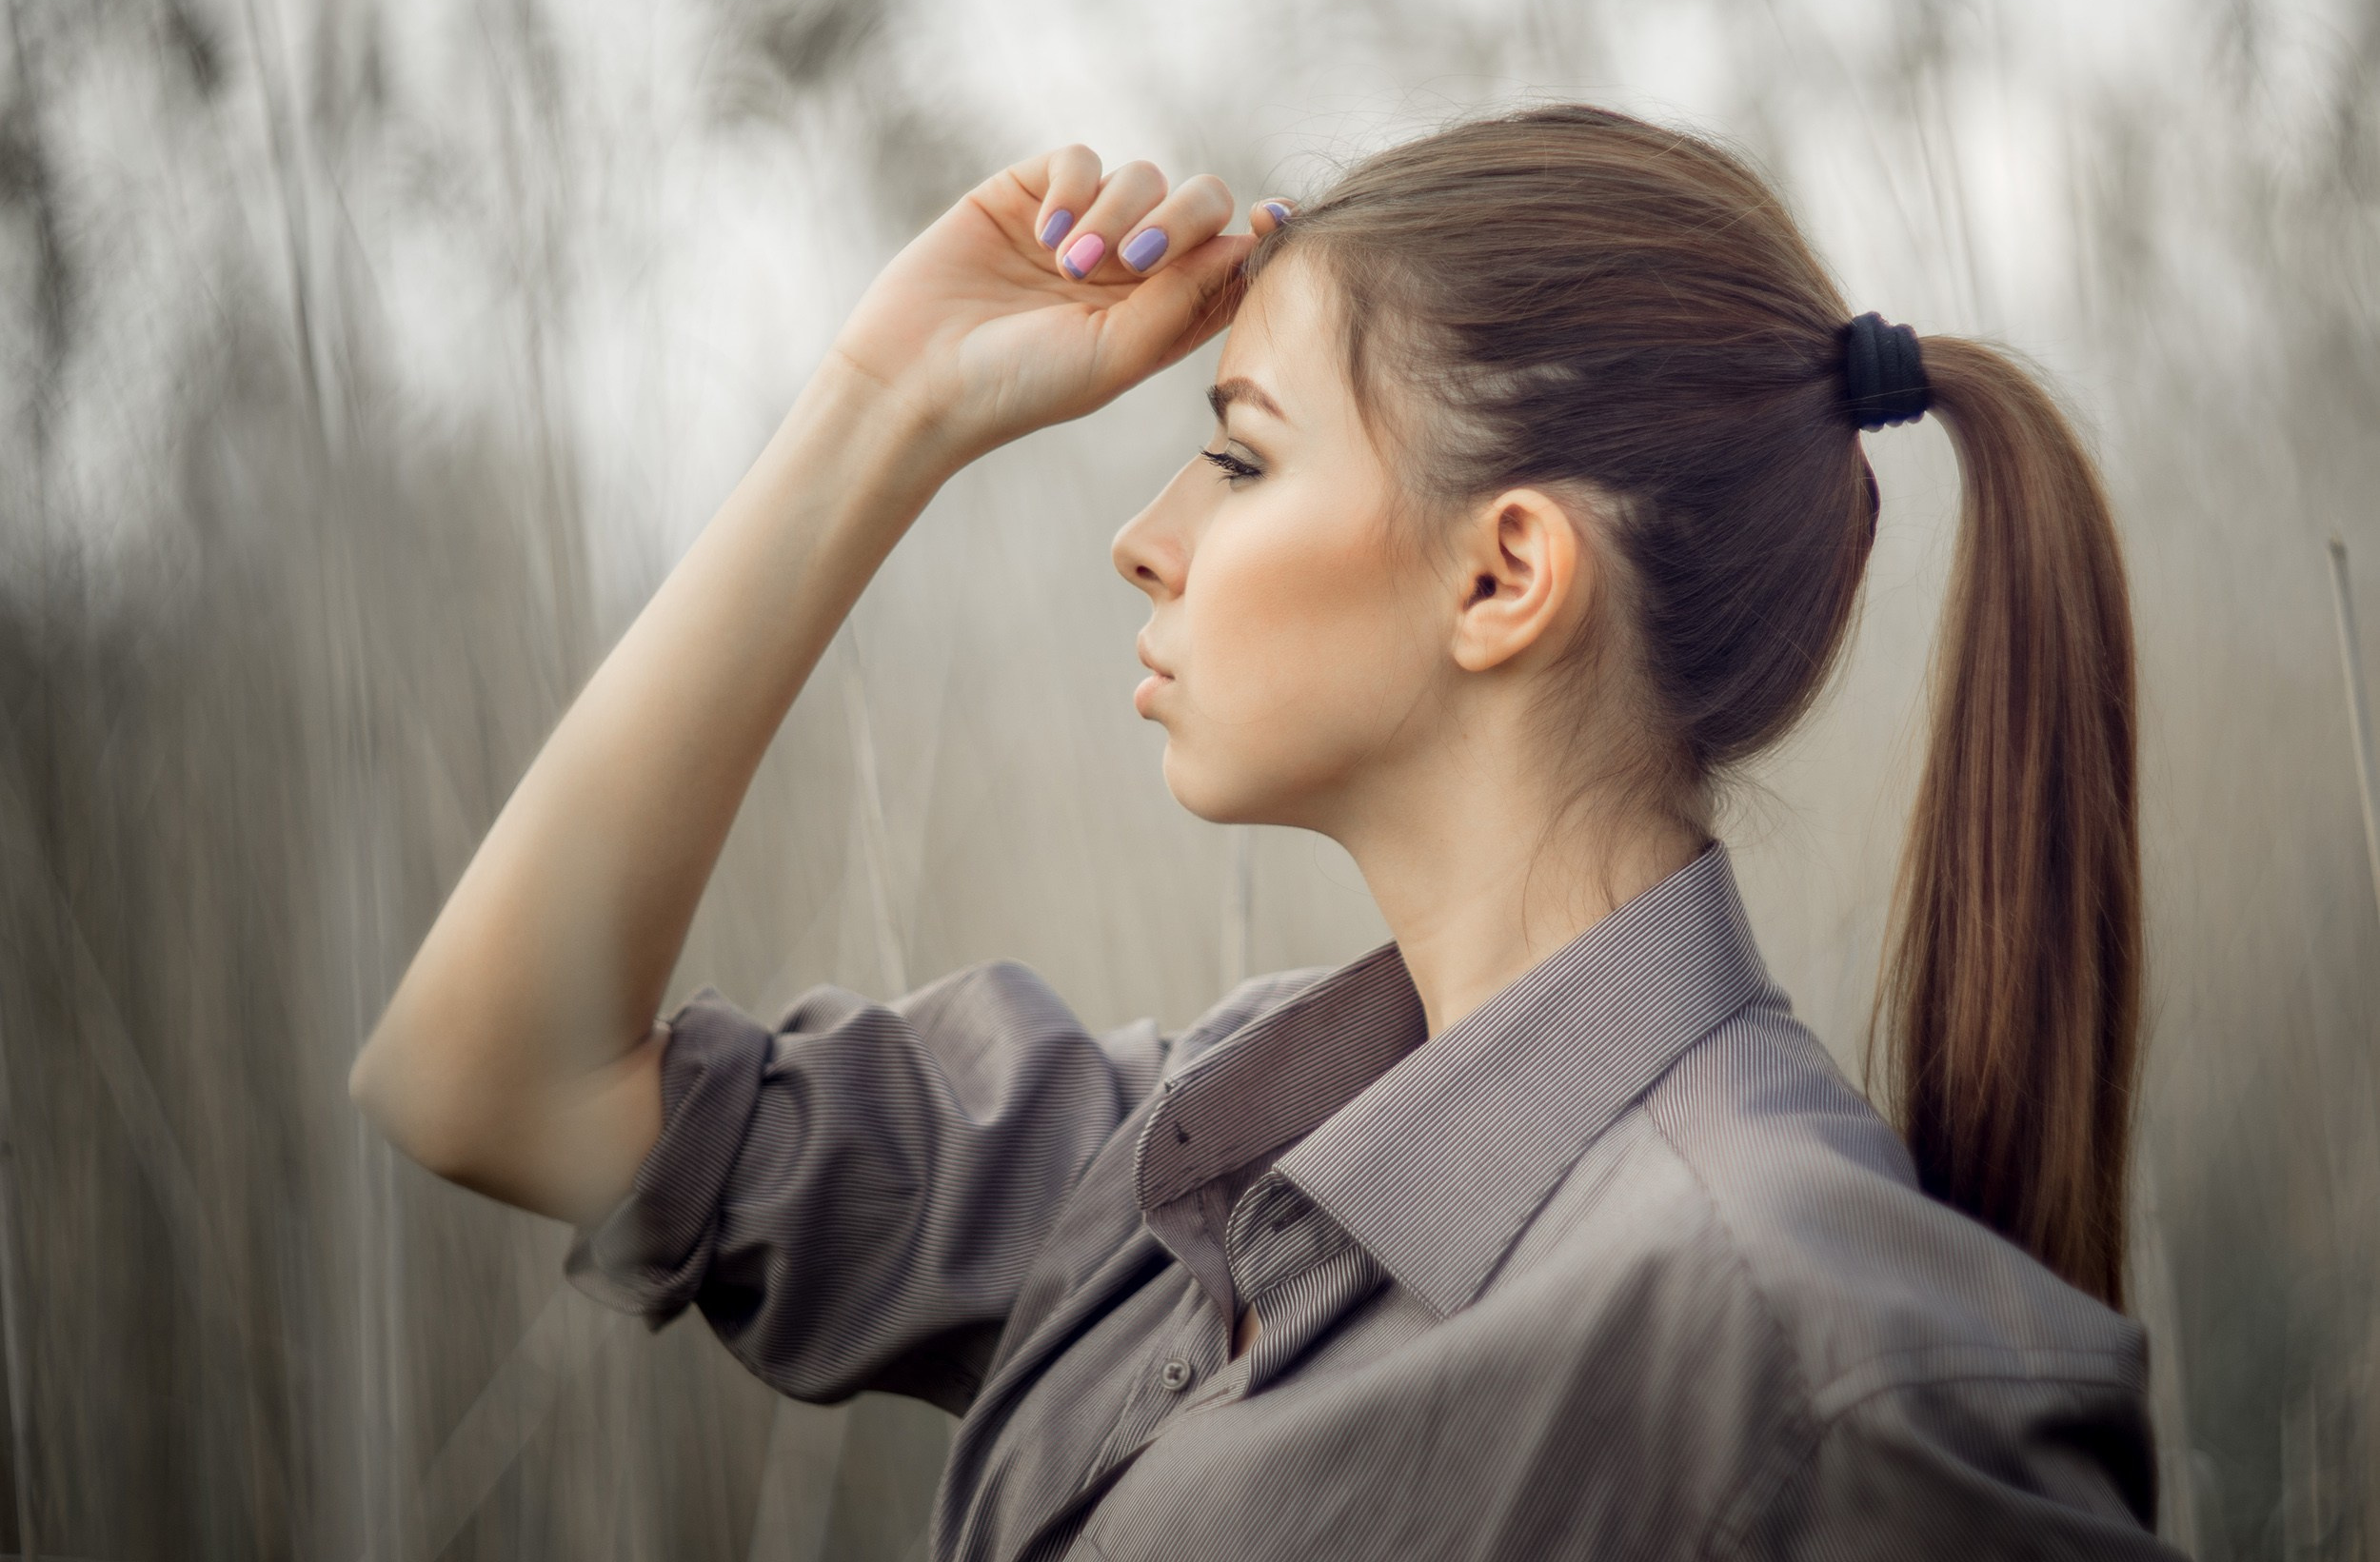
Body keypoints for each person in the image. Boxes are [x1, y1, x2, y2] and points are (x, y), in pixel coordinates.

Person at [350, 105, 2182, 1557]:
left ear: (1503, 571)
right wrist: (881, 409)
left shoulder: (1824, 1366)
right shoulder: (1178, 1155)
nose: (1145, 535)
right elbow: (491, 1078)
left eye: (1236, 452)